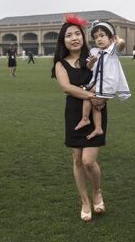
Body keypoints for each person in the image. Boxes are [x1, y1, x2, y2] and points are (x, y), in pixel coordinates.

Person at [51, 14, 107, 223]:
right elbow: (66, 87)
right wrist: (93, 95)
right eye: (69, 35)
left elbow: (107, 74)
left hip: (97, 111)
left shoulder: (94, 56)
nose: (74, 38)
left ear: (83, 37)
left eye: (77, 34)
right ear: (62, 41)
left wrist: (99, 98)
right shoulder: (60, 64)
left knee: (88, 161)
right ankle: (85, 201)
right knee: (76, 160)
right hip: (75, 113)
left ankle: (97, 192)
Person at [74, 20, 131, 140]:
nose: (99, 39)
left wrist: (119, 40)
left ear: (111, 38)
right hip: (97, 82)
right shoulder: (94, 51)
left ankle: (85, 119)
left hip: (107, 83)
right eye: (96, 37)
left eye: (102, 35)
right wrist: (91, 62)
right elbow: (89, 68)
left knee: (89, 95)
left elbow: (121, 45)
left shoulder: (112, 51)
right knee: (96, 104)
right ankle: (98, 128)